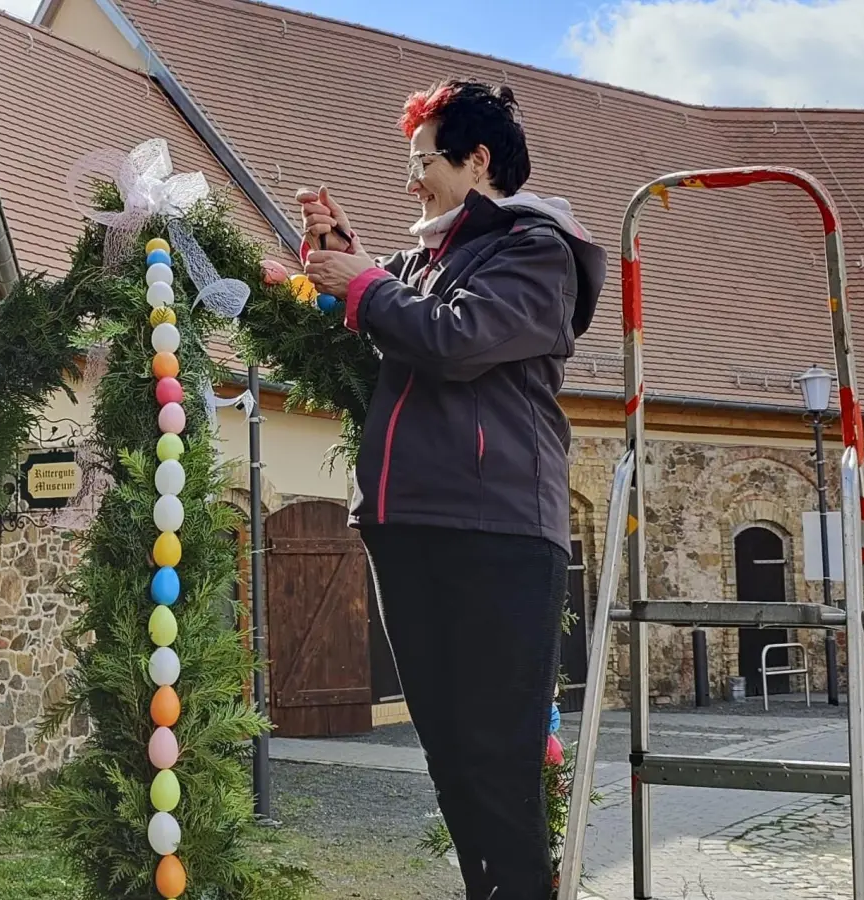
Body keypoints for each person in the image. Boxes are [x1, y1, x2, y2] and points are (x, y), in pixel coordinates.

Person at [297, 79, 606, 899]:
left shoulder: (537, 249)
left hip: (497, 531)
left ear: (478, 160)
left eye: (423, 162)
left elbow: (455, 338)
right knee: (449, 757)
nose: (411, 181)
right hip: (407, 524)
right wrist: (338, 251)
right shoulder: (427, 256)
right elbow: (390, 306)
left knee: (496, 762)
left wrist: (362, 282)